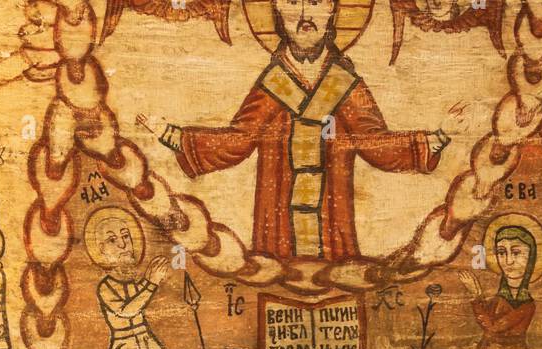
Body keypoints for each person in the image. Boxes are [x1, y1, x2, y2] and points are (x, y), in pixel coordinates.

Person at [155, 0, 449, 260]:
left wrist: (436, 139)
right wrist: (173, 136)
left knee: (337, 273)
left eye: (317, 2)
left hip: (330, 215)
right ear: (277, 11)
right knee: (275, 268)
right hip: (279, 214)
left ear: (333, 9)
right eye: (293, 1)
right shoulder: (273, 82)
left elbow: (373, 142)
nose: (306, 14)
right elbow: (240, 139)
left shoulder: (345, 81)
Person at [83, 206, 181, 349]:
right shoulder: (106, 287)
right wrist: (151, 282)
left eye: (126, 236)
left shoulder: (135, 282)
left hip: (148, 343)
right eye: (112, 240)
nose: (122, 244)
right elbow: (127, 310)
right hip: (125, 348)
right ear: (101, 249)